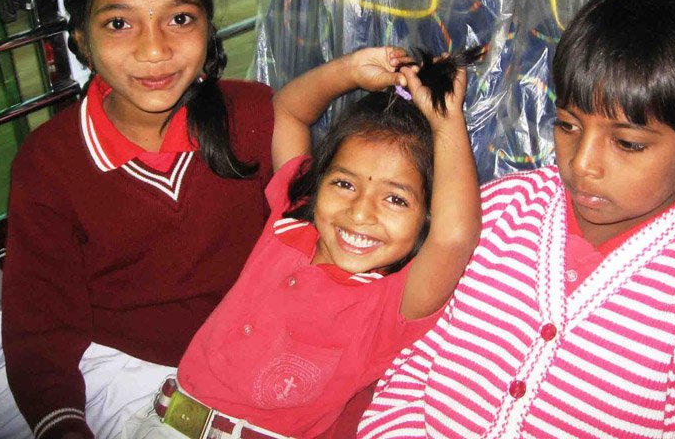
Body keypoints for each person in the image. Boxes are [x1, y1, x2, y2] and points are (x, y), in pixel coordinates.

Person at [358, 0, 675, 438]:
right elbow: (410, 362)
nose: (582, 164)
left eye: (627, 143)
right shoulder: (496, 213)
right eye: (568, 125)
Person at [0, 0, 274, 439]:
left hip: (245, 355)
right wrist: (62, 423)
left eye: (179, 19)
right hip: (115, 367)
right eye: (119, 24)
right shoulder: (49, 163)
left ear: (208, 25)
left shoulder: (257, 117)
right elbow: (40, 326)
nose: (154, 50)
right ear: (82, 38)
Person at [126, 45, 483, 439]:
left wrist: (446, 122)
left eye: (395, 199)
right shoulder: (290, 219)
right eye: (344, 184)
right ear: (318, 182)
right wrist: (349, 71)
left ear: (426, 218)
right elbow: (289, 111)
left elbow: (454, 237)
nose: (360, 213)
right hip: (160, 421)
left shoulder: (395, 301)